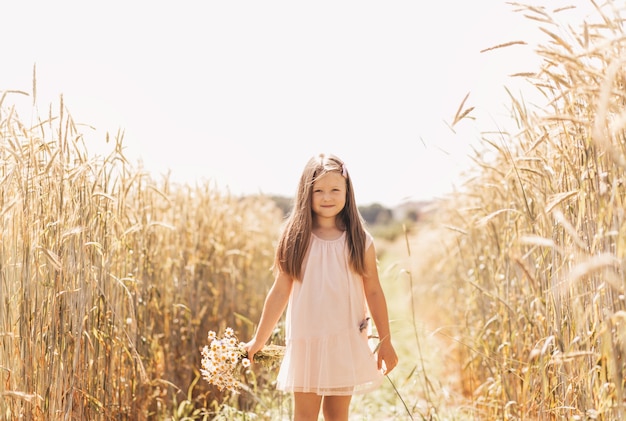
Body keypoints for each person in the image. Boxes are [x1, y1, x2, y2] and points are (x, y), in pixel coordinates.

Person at [245, 153, 398, 421]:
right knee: (304, 416)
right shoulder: (295, 238)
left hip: (345, 338)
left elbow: (373, 291)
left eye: (335, 189)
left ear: (347, 192)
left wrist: (385, 341)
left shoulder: (360, 241)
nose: (327, 197)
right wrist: (260, 339)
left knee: (337, 415)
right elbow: (280, 291)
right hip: (306, 343)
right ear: (306, 193)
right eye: (319, 191)